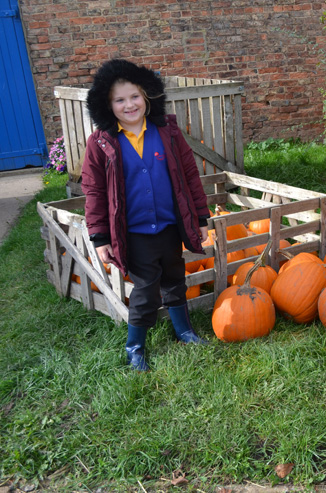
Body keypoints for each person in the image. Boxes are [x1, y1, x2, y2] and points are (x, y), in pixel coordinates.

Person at [81, 59, 211, 371]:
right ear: (106, 105)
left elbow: (190, 176)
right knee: (145, 289)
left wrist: (201, 218)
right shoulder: (101, 144)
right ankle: (135, 347)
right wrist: (100, 237)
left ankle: (184, 330)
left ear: (148, 95)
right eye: (119, 100)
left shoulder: (166, 131)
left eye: (135, 96)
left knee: (174, 277)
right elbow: (95, 191)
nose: (129, 105)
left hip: (168, 225)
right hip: (134, 232)